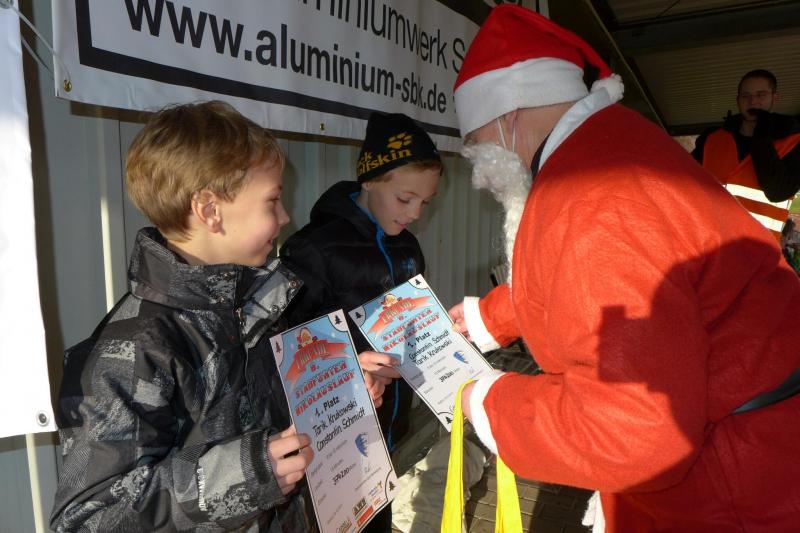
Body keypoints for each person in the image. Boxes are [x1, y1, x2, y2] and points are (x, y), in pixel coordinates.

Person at [447, 5, 800, 532]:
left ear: (508, 115)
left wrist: (491, 402)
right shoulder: (609, 145)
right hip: (751, 447)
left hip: (733, 488)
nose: (478, 168)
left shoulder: (593, 197)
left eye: (475, 142)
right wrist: (488, 318)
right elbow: (595, 284)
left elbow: (635, 431)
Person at [49, 101, 317, 532]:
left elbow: (267, 417)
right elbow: (88, 519)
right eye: (272, 200)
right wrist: (244, 476)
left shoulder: (252, 304)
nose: (286, 216)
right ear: (210, 210)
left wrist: (335, 384)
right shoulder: (138, 348)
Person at [280, 111, 442, 532]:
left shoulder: (407, 247)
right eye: (405, 199)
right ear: (369, 179)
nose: (415, 213)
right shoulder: (313, 249)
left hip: (386, 428)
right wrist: (352, 370)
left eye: (425, 202)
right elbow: (288, 352)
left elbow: (413, 323)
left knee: (378, 515)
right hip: (333, 441)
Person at [692, 69, 800, 239]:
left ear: (774, 97)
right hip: (707, 242)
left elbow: (777, 191)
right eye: (745, 95)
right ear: (738, 100)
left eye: (761, 94)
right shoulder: (712, 138)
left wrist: (762, 134)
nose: (752, 101)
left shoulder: (794, 142)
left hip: (756, 248)